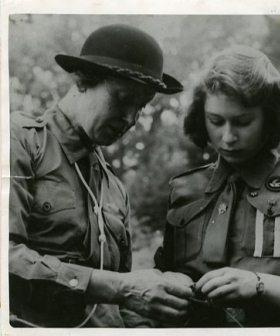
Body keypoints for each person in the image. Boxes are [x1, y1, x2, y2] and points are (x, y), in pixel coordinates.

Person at [9, 24, 194, 328]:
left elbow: (128, 300)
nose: (131, 119)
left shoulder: (114, 187)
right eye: (122, 99)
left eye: (142, 106)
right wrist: (120, 288)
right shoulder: (20, 142)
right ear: (82, 81)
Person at [156, 46, 280, 327]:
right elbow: (160, 285)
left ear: (270, 118)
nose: (228, 137)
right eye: (215, 121)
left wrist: (259, 283)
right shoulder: (184, 187)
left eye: (243, 121)